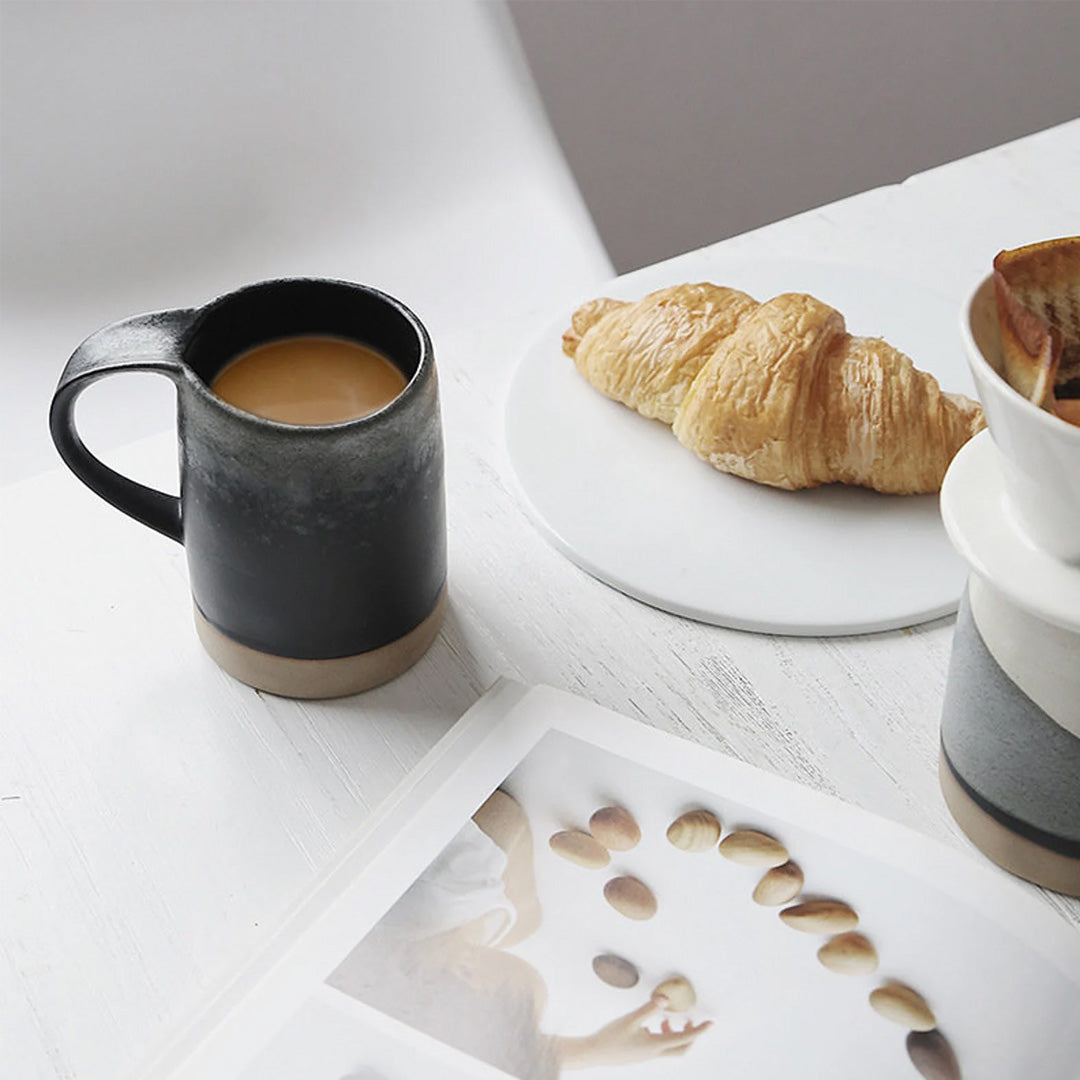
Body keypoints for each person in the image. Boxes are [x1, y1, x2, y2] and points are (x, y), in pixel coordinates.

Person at [327, 790, 711, 1078]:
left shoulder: (454, 879)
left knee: (528, 922)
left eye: (533, 1021)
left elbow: (503, 815)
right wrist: (589, 1050)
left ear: (466, 973)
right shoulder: (406, 978)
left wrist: (519, 896)